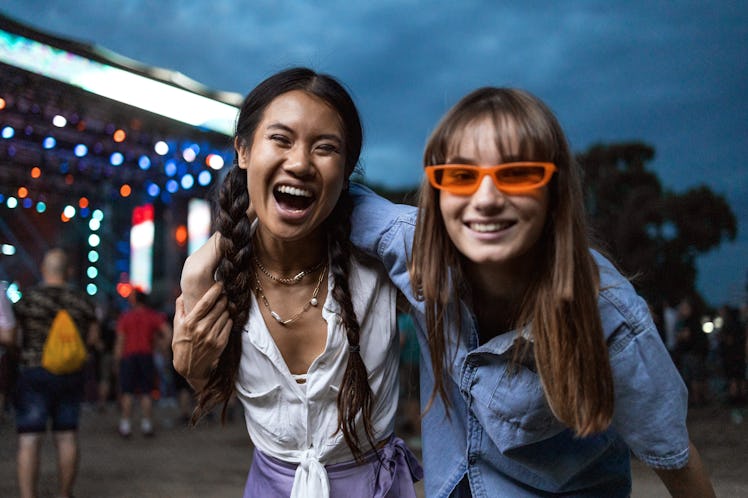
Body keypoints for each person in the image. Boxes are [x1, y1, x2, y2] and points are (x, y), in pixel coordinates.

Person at [177, 87, 716, 496]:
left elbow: (675, 457)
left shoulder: (606, 313)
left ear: (556, 194)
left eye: (518, 174)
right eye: (460, 176)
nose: (485, 198)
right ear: (436, 190)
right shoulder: (412, 248)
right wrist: (204, 263)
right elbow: (315, 198)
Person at [172, 67, 422, 497]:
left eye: (325, 148)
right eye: (281, 139)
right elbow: (212, 389)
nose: (301, 163)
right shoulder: (214, 279)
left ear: (346, 172)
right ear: (243, 151)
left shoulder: (380, 261)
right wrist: (197, 275)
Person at [2, 248, 99, 498]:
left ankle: (28, 495)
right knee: (66, 436)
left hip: (34, 372)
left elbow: (14, 336)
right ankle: (64, 493)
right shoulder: (82, 300)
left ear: (44, 269)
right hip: (70, 373)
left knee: (29, 438)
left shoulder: (28, 300)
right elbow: (93, 339)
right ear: (69, 271)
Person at [114, 289, 171, 437]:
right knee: (146, 391)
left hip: (129, 357)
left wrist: (117, 360)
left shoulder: (126, 317)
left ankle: (125, 425)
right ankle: (147, 425)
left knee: (127, 392)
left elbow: (120, 341)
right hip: (146, 357)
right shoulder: (152, 316)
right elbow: (168, 333)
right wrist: (162, 347)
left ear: (134, 300)